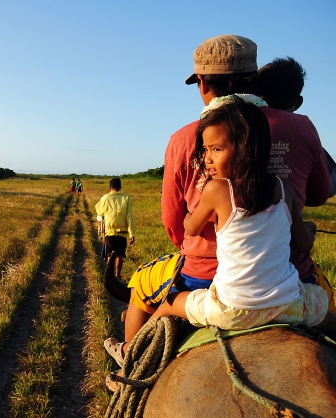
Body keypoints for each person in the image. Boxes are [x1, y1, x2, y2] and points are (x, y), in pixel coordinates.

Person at [104, 35, 331, 362]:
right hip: (289, 272)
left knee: (141, 285)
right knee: (326, 300)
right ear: (255, 79)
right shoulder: (300, 126)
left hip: (206, 275)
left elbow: (175, 226)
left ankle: (130, 365)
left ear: (202, 83)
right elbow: (320, 195)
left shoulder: (186, 137)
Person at [142, 99, 335, 340]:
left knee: (169, 303)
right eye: (205, 149)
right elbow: (305, 244)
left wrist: (189, 215)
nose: (206, 159)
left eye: (216, 149)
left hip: (231, 309)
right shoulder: (284, 189)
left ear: (245, 148)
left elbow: (190, 229)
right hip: (288, 305)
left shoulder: (217, 190)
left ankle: (130, 355)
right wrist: (310, 229)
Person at [258, 57, 336, 198]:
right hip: (287, 217)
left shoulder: (237, 120)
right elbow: (321, 195)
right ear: (298, 102)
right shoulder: (304, 127)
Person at [95, 178, 136, 279]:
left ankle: (111, 275)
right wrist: (132, 234)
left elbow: (99, 211)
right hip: (122, 232)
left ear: (110, 187)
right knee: (120, 255)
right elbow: (130, 217)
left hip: (109, 231)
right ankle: (117, 275)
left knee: (110, 255)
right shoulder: (127, 198)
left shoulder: (105, 198)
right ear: (120, 187)